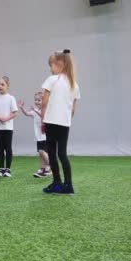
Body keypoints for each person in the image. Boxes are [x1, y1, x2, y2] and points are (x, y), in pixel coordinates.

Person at [41, 49, 81, 195]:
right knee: (62, 154)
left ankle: (57, 184)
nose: (50, 69)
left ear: (60, 64)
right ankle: (68, 185)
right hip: (65, 124)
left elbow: (44, 102)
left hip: (51, 122)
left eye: (51, 65)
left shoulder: (51, 80)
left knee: (52, 153)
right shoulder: (74, 84)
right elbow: (73, 109)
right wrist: (66, 120)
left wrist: (42, 120)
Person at [18, 92, 51, 177]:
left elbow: (43, 117)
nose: (37, 102)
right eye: (35, 100)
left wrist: (35, 111)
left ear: (43, 101)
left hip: (44, 136)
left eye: (39, 100)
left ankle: (51, 165)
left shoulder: (44, 110)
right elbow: (26, 113)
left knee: (42, 151)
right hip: (38, 136)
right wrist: (22, 108)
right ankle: (43, 169)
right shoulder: (34, 111)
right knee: (40, 153)